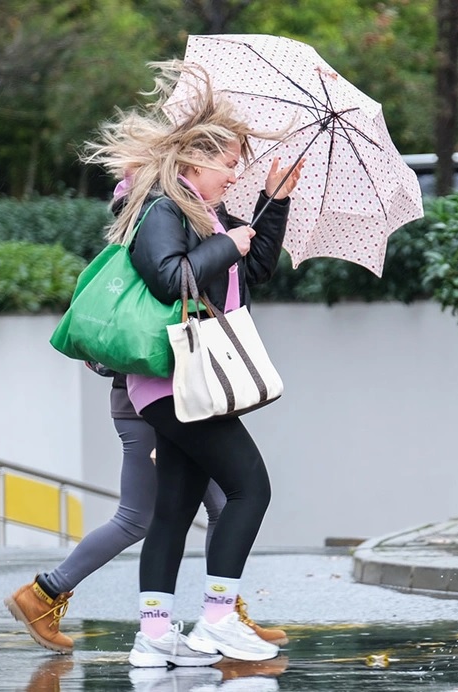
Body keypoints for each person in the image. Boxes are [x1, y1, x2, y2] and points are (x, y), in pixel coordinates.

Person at [80, 60, 304, 668]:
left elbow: (250, 272)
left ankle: (153, 637)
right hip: (174, 384)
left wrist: (271, 204)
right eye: (230, 162)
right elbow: (170, 279)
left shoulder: (206, 217)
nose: (235, 172)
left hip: (178, 388)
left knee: (174, 512)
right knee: (249, 489)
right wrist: (224, 244)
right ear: (192, 165)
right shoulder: (161, 210)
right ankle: (217, 618)